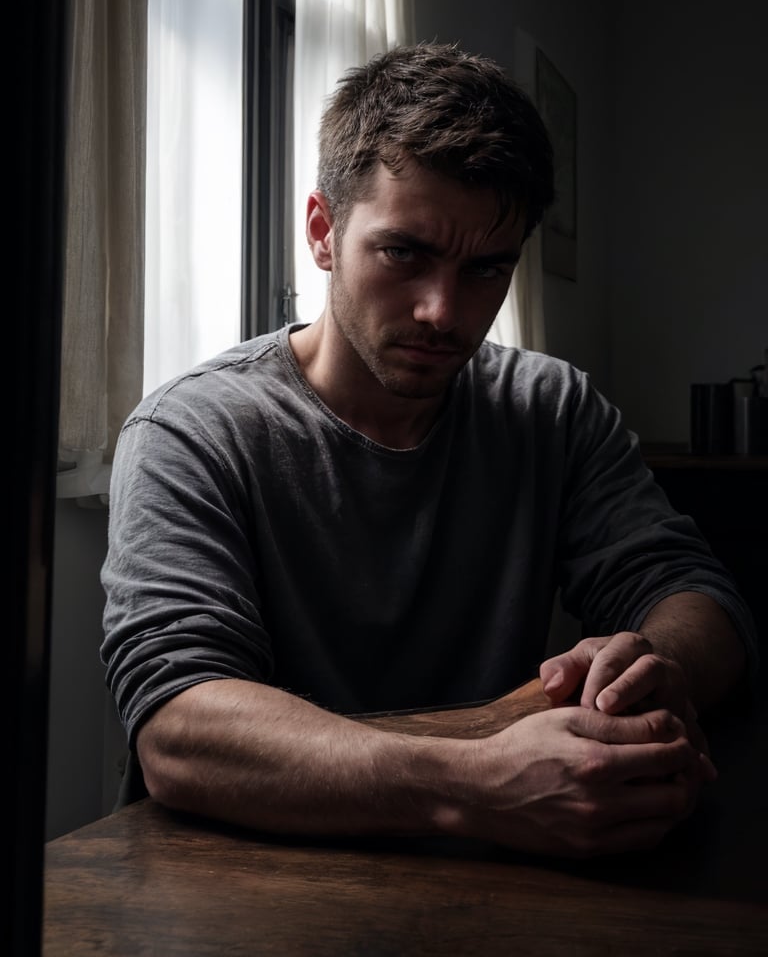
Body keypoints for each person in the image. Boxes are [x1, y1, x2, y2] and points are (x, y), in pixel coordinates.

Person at [101, 41, 757, 858]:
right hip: (237, 887)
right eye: (404, 254)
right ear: (323, 231)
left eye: (486, 268)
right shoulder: (191, 432)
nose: (444, 312)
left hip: (508, 883)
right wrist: (480, 774)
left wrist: (652, 666)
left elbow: (697, 596)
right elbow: (180, 726)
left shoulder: (550, 409)